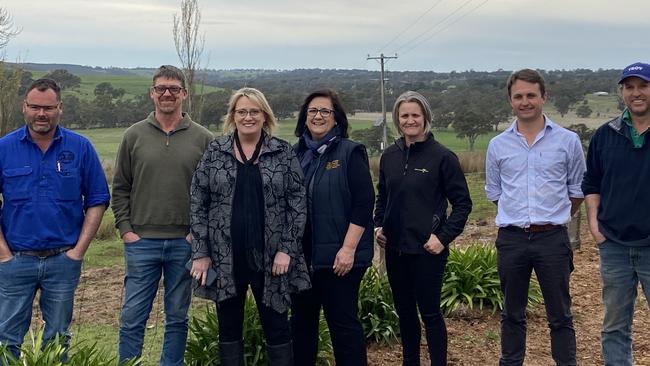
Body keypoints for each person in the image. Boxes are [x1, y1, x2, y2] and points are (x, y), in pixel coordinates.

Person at [189, 87, 310, 366]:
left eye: (254, 111)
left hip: (271, 259)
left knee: (277, 326)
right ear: (232, 116)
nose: (248, 117)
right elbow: (198, 202)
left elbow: (297, 204)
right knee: (229, 328)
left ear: (264, 115)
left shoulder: (282, 153)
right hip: (226, 256)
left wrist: (287, 250)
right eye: (241, 111)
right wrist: (201, 252)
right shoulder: (215, 152)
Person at [0, 79, 110, 359]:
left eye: (48, 108)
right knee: (6, 339)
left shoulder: (80, 147)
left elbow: (97, 200)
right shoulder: (5, 148)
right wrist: (3, 255)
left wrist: (78, 253)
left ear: (59, 108)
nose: (41, 114)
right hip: (16, 260)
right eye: (35, 107)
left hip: (62, 260)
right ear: (24, 107)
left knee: (58, 338)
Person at [112, 65, 213, 365]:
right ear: (152, 93)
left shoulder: (203, 138)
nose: (167, 94)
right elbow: (120, 188)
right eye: (161, 89)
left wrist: (197, 232)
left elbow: (213, 193)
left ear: (184, 93)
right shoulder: (133, 136)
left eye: (173, 89)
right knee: (132, 317)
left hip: (185, 242)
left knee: (177, 317)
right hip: (141, 242)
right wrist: (126, 230)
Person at [485, 69, 586, 366]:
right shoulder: (497, 145)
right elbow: (495, 192)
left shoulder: (568, 141)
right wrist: (519, 214)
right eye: (518, 96)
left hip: (552, 238)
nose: (525, 101)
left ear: (544, 97)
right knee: (512, 314)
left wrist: (554, 216)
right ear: (510, 100)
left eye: (531, 95)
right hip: (512, 239)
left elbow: (577, 189)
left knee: (560, 314)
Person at [374, 90, 472, 366]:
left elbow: (463, 204)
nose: (410, 120)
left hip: (428, 250)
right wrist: (378, 225)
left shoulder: (443, 157)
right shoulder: (390, 156)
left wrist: (442, 238)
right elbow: (383, 196)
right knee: (404, 312)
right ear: (397, 119)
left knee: (429, 314)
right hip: (395, 250)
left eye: (415, 115)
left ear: (426, 118)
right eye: (404, 115)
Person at [290, 89, 374, 366]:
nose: (318, 116)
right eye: (313, 111)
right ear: (305, 117)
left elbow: (364, 203)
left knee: (343, 326)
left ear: (336, 118)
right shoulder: (295, 155)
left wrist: (348, 249)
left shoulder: (350, 152)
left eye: (325, 111)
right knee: (302, 327)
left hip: (340, 259)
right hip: (302, 259)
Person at [582, 62, 650, 366]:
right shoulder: (605, 135)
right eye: (630, 87)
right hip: (615, 247)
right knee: (614, 326)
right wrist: (595, 225)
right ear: (622, 92)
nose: (636, 93)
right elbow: (591, 182)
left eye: (643, 86)